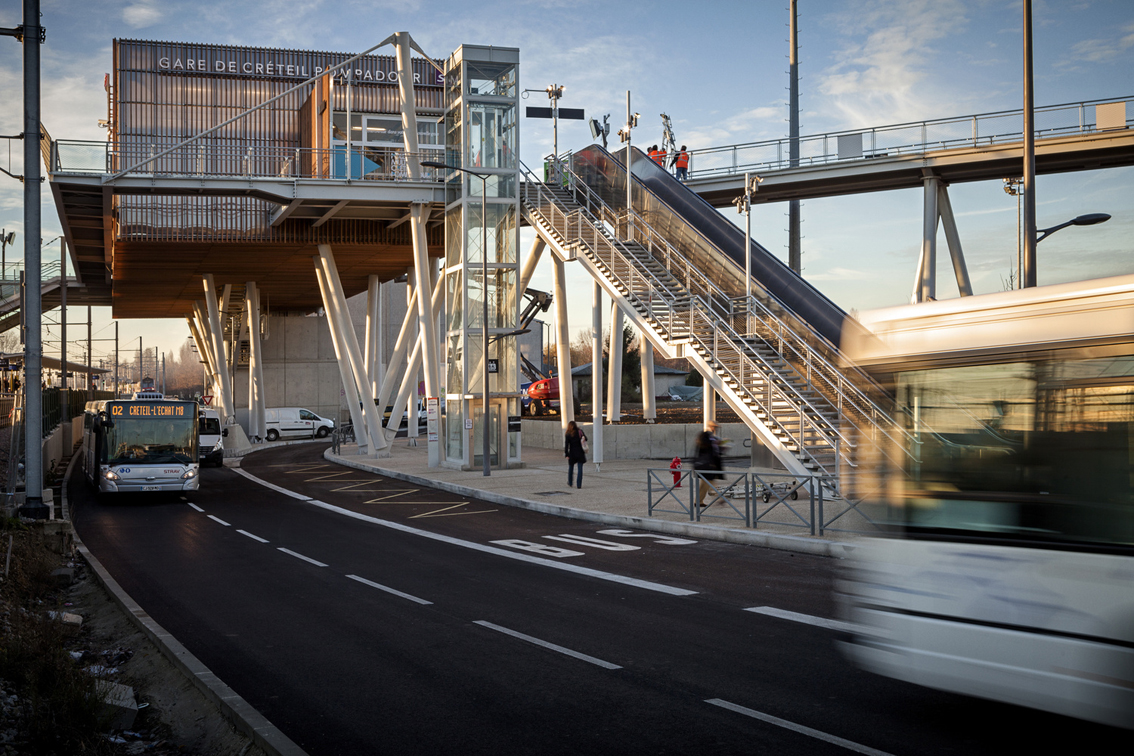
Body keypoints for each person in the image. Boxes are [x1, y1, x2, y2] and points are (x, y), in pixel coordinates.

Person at [693, 421, 723, 507]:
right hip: (704, 463)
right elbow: (703, 444)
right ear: (710, 426)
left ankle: (698, 501)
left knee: (705, 483)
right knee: (709, 481)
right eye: (714, 427)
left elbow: (714, 450)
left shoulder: (712, 437)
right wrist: (714, 443)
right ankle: (720, 498)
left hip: (709, 463)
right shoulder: (704, 435)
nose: (715, 429)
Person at [564, 420, 588, 489]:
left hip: (572, 453)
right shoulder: (580, 431)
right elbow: (586, 439)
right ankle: (579, 484)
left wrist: (566, 454)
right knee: (580, 469)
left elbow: (566, 445)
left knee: (571, 468)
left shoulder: (568, 434)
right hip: (580, 452)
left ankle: (570, 482)